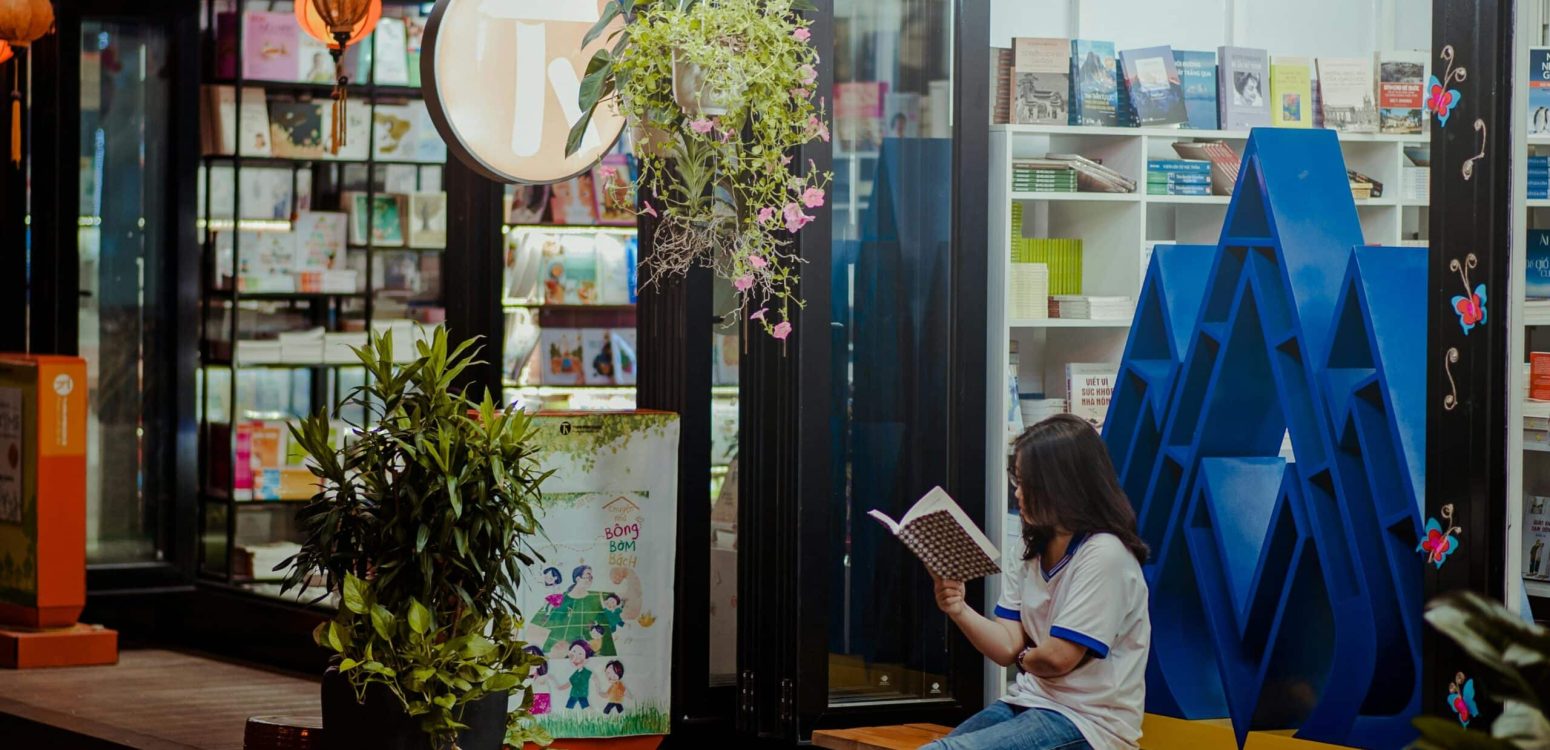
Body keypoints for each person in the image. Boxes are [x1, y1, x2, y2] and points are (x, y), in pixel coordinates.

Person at [925, 415, 1151, 750]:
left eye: (1028, 483)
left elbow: (1057, 658)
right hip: (1032, 701)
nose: (1018, 492)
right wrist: (957, 608)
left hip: (1091, 724)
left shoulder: (1105, 554)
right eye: (1018, 480)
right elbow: (1005, 647)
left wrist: (1025, 656)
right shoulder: (1029, 548)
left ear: (1063, 486)